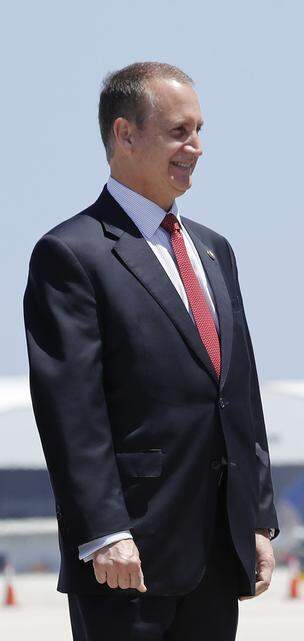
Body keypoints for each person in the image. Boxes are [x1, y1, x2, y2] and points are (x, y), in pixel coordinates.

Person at [23, 62, 279, 641]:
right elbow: (71, 411)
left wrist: (257, 518)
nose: (196, 147)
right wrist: (104, 531)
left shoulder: (214, 250)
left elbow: (237, 393)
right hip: (129, 556)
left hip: (215, 549)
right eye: (179, 131)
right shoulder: (72, 254)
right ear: (125, 134)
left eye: (199, 130)